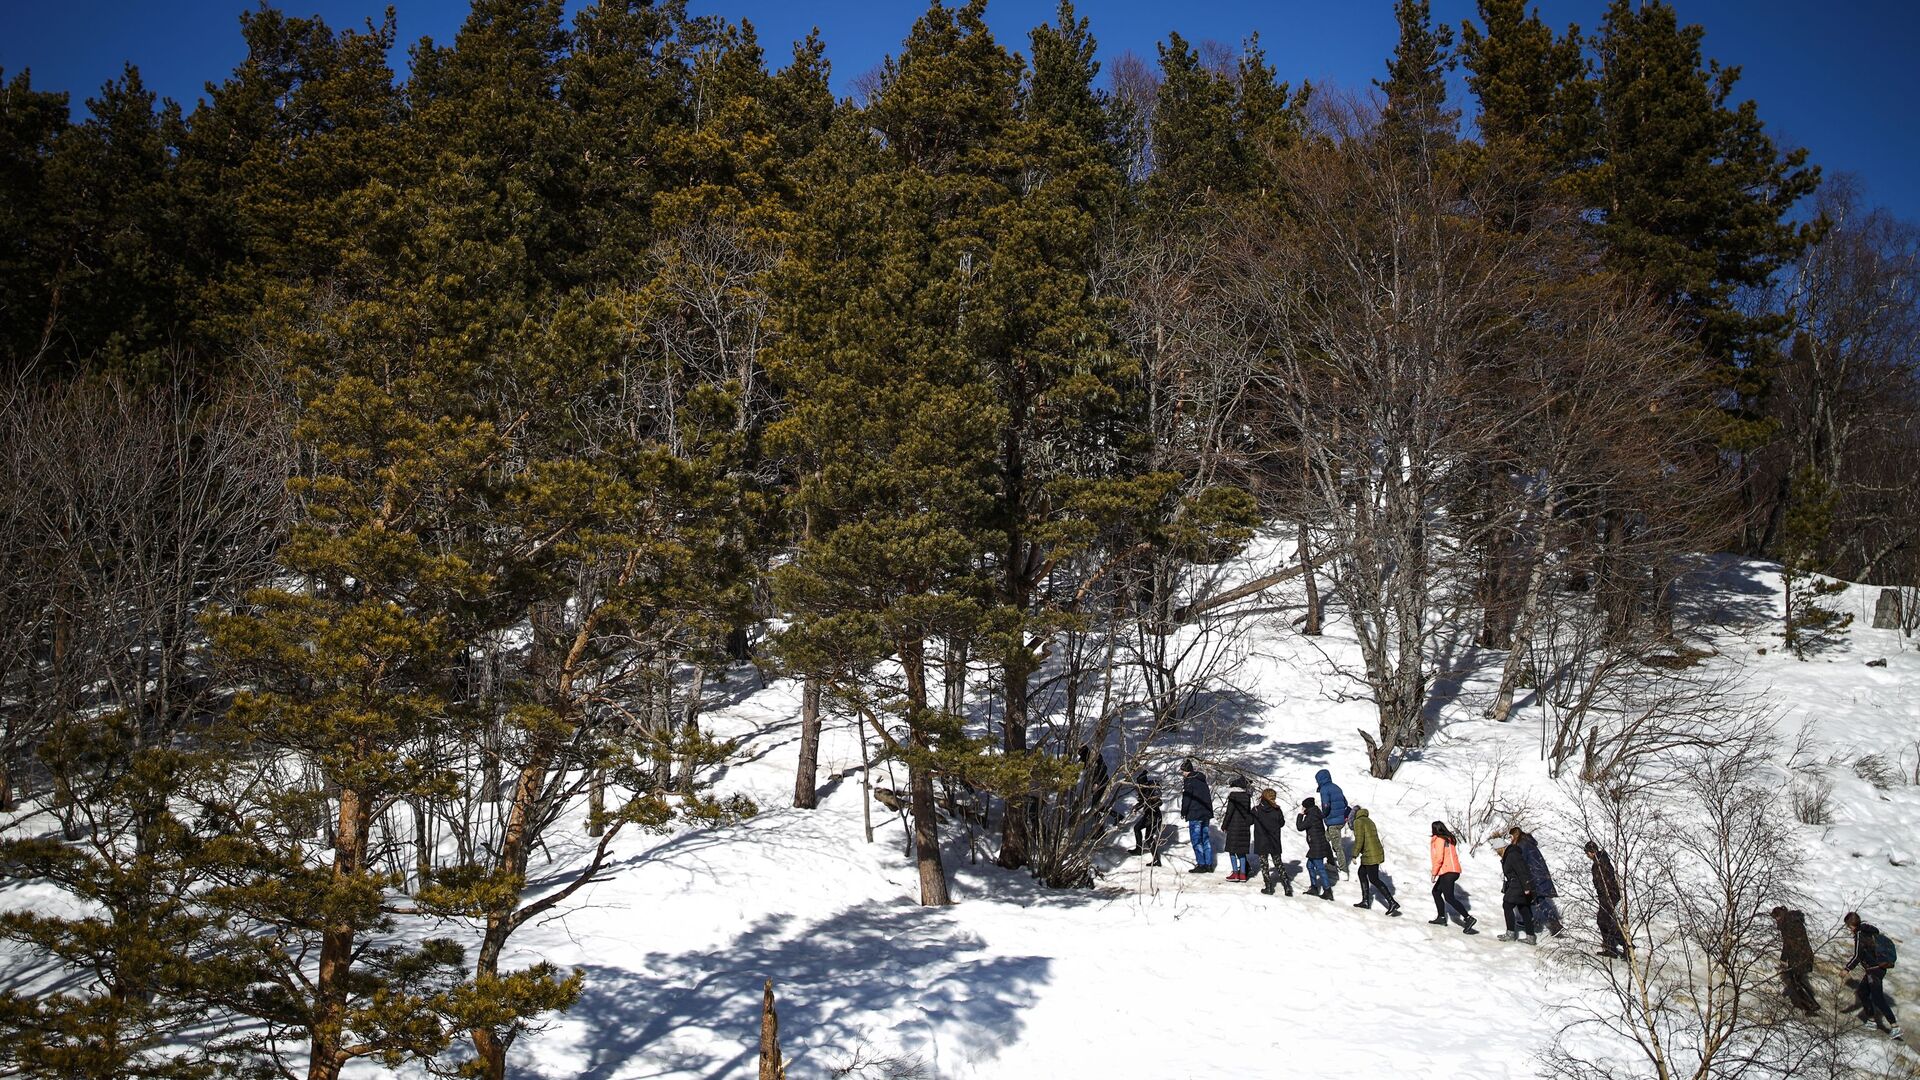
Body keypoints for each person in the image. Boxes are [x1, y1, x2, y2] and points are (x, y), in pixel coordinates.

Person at [1844, 911, 1902, 1039]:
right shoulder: (1870, 931)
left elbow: (1857, 956)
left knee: (1878, 999)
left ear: (1851, 925)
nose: (1849, 930)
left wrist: (1846, 969)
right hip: (1877, 968)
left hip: (1874, 970)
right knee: (1862, 992)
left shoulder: (1860, 934)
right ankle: (1871, 1021)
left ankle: (1894, 1026)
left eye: (1848, 927)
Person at [1511, 827, 1563, 937]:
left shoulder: (1522, 845)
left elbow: (1520, 862)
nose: (1510, 840)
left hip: (1535, 877)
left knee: (1539, 900)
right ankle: (1529, 921)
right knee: (1532, 899)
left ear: (1515, 835)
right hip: (1539, 875)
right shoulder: (1528, 843)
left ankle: (1554, 924)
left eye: (1511, 837)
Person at [1349, 806, 1400, 916]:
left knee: (1374, 879)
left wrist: (1354, 854)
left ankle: (1392, 902)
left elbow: (1359, 840)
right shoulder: (1369, 820)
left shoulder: (1358, 822)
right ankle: (1365, 901)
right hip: (1375, 852)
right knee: (1362, 873)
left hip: (1370, 854)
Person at [1429, 821, 1477, 934]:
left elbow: (1439, 857)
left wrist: (1434, 873)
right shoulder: (1449, 839)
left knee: (1449, 897)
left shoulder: (1440, 840)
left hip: (1447, 871)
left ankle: (1468, 918)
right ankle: (1441, 917)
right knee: (1436, 892)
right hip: (1452, 871)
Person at [1769, 906, 1818, 1015]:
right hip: (1803, 955)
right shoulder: (1792, 920)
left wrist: (1783, 959)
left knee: (1796, 980)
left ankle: (1811, 1004)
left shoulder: (1788, 924)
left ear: (1779, 916)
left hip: (1799, 956)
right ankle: (1809, 1004)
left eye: (1776, 919)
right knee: (1798, 980)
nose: (1776, 922)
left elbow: (1788, 943)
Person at [1492, 833, 1538, 945]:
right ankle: (1530, 937)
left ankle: (1510, 934)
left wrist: (1527, 887)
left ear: (1501, 848)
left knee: (1507, 905)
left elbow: (1522, 870)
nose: (1497, 854)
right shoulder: (1510, 854)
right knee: (1524, 908)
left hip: (1519, 885)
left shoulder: (1512, 855)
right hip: (1518, 884)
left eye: (1497, 851)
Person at [1584, 841, 1625, 958]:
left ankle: (1626, 946)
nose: (1587, 856)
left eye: (1587, 853)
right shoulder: (1600, 861)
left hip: (1609, 895)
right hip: (1606, 896)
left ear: (1591, 852)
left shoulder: (1601, 862)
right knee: (1604, 921)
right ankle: (1611, 948)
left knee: (1604, 921)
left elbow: (1606, 880)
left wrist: (1606, 894)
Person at [1251, 788, 1293, 896]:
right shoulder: (1277, 810)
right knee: (1278, 863)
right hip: (1274, 839)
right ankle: (1287, 886)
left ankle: (1268, 887)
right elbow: (1281, 823)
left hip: (1261, 840)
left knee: (1264, 864)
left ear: (1263, 797)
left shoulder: (1256, 810)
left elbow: (1249, 821)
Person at [1180, 759, 1215, 874]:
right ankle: (1209, 864)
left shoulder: (1189, 781)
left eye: (1183, 771)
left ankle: (1201, 864)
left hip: (1195, 813)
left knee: (1196, 840)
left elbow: (1187, 798)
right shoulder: (1201, 780)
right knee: (1205, 839)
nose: (1183, 774)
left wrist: (1184, 812)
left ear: (1187, 771)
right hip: (1206, 814)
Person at [1315, 768, 1352, 878]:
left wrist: (1323, 815)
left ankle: (1343, 870)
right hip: (1340, 821)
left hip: (1332, 822)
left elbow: (1326, 806)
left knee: (1337, 847)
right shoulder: (1337, 787)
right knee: (1324, 839)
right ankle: (1331, 863)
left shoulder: (1324, 789)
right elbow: (1345, 802)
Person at [1296, 796, 1334, 900]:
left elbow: (1300, 827)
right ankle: (1314, 887)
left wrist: (1300, 815)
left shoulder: (1311, 816)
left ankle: (1327, 890)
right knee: (1309, 865)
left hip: (1317, 845)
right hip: (1317, 844)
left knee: (1320, 867)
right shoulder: (1315, 812)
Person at [1221, 777, 1255, 882]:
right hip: (1244, 827)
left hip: (1233, 827)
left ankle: (1235, 873)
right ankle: (1243, 874)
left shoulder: (1233, 796)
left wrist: (1224, 825)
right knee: (1241, 851)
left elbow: (1229, 813)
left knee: (1232, 851)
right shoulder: (1247, 796)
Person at [1128, 769, 1163, 865]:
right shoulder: (1142, 790)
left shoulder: (1152, 788)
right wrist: (1136, 808)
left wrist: (1151, 804)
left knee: (1149, 837)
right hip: (1148, 815)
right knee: (1137, 828)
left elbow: (1159, 801)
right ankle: (1138, 850)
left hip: (1154, 816)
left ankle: (1156, 860)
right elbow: (1142, 801)